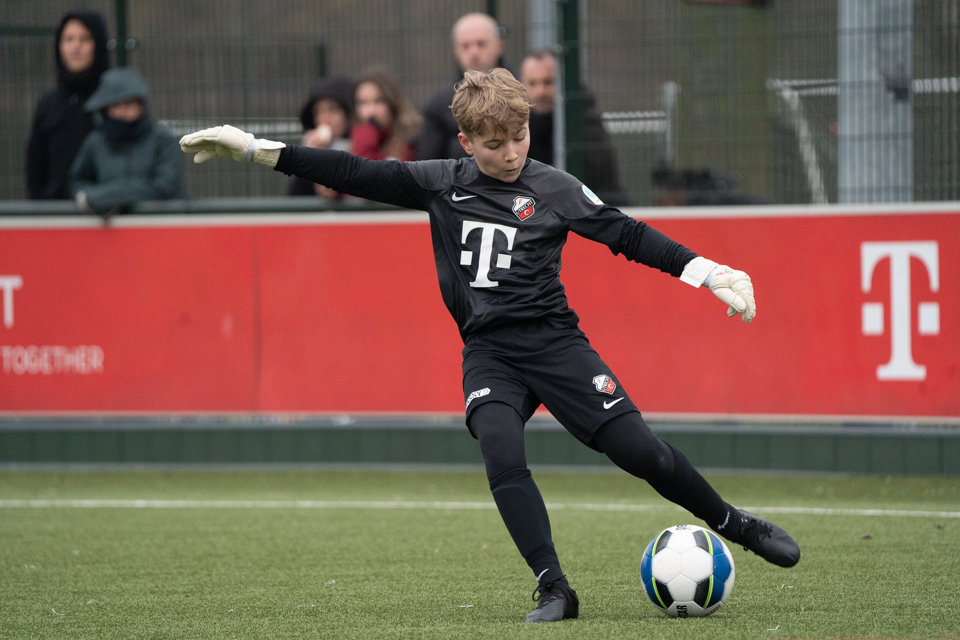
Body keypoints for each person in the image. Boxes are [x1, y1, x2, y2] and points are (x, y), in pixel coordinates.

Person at [180, 68, 801, 624]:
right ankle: (554, 587)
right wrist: (256, 149)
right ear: (467, 142)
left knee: (643, 454)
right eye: (495, 143)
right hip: (490, 353)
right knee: (500, 448)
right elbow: (353, 172)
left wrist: (707, 272)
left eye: (519, 138)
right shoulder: (439, 183)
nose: (510, 153)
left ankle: (735, 523)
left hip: (556, 346)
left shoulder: (555, 187)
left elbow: (626, 234)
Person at [69, 67, 185, 217]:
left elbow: (165, 187)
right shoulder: (95, 142)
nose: (121, 111)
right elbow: (77, 183)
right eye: (115, 105)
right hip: (107, 229)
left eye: (129, 104)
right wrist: (93, 198)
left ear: (141, 105)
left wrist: (107, 197)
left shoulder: (164, 140)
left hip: (159, 226)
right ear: (105, 108)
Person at [520, 48, 629, 206]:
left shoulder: (584, 117)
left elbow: (597, 170)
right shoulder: (516, 123)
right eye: (532, 83)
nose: (540, 91)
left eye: (548, 82)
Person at [25, 10, 110, 200]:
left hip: (102, 209)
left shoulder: (113, 100)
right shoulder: (48, 103)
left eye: (85, 39)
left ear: (98, 45)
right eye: (68, 39)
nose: (75, 46)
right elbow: (35, 166)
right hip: (55, 211)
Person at [417, 12, 507, 161]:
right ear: (456, 51)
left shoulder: (523, 92)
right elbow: (428, 162)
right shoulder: (440, 104)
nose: (474, 52)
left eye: (481, 44)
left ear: (499, 46)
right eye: (466, 46)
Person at [288, 76, 355, 199]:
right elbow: (295, 200)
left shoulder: (362, 145)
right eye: (318, 112)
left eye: (332, 109)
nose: (324, 118)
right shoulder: (313, 147)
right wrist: (306, 160)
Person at [350, 66, 421, 162]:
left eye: (379, 101)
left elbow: (371, 169)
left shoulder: (411, 140)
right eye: (363, 103)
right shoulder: (355, 138)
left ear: (392, 103)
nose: (371, 111)